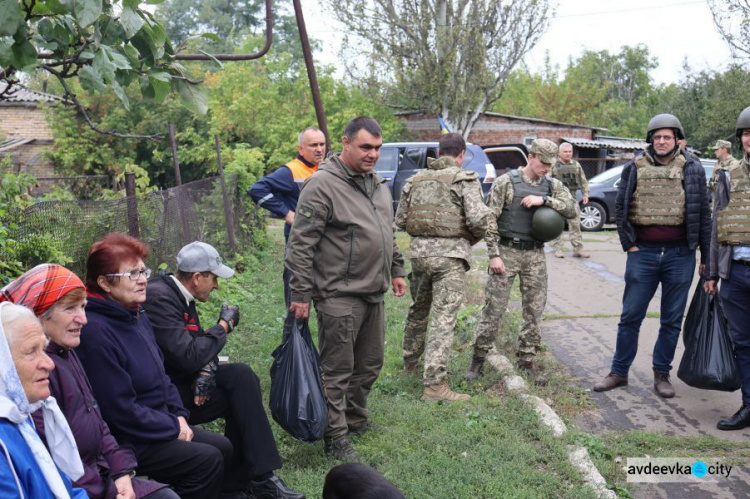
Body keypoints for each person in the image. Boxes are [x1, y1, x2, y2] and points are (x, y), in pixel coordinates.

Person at [286, 116, 407, 461]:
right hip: (339, 294)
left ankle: (355, 419)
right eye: (366, 147)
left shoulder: (378, 185)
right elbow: (301, 244)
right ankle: (335, 436)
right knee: (337, 371)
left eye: (378, 148)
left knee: (369, 364)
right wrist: (300, 294)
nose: (373, 154)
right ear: (346, 143)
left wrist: (397, 268)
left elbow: (387, 232)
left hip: (373, 291)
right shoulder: (323, 185)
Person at [0, 264, 177, 499]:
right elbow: (56, 464)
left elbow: (98, 421)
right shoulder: (33, 380)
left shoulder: (68, 353)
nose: (83, 319)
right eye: (70, 308)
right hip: (90, 484)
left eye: (83, 307)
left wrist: (121, 471)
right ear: (40, 315)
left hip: (100, 474)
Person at [143, 241, 303, 498]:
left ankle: (254, 479)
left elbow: (194, 346)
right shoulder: (159, 298)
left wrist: (207, 368)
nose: (216, 285)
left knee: (241, 377)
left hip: (181, 385)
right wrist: (222, 327)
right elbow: (187, 355)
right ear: (197, 277)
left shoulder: (178, 295)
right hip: (166, 400)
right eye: (214, 278)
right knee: (238, 386)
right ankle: (250, 481)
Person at [76, 233, 230, 499]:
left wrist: (178, 415)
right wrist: (172, 426)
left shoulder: (136, 314)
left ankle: (241, 488)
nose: (143, 280)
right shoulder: (97, 332)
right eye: (132, 275)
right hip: (131, 439)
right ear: (104, 283)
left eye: (142, 271)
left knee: (223, 446)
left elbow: (162, 376)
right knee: (206, 459)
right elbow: (119, 411)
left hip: (159, 422)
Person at [593, 113, 711, 398]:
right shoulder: (634, 166)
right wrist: (628, 243)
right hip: (643, 253)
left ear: (676, 139)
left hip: (680, 255)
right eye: (657, 137)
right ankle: (619, 372)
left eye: (667, 137)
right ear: (651, 139)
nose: (661, 141)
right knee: (631, 316)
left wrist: (706, 256)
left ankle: (662, 374)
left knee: (671, 319)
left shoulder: (693, 168)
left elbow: (703, 214)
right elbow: (621, 207)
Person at [464, 139, 575, 385]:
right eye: (543, 162)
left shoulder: (552, 185)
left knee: (534, 311)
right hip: (507, 250)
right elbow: (489, 220)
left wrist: (544, 201)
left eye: (550, 163)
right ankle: (478, 359)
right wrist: (493, 254)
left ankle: (526, 361)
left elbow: (571, 208)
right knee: (494, 308)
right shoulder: (506, 183)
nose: (547, 167)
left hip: (534, 254)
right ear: (531, 156)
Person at [395, 133, 496, 401]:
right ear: (461, 154)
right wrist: (468, 237)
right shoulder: (464, 179)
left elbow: (402, 220)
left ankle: (410, 364)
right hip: (450, 259)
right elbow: (477, 220)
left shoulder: (414, 181)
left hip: (419, 256)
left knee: (418, 311)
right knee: (443, 318)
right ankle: (434, 386)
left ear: (439, 152)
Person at [0, 301, 87, 498]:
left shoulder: (19, 416)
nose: (49, 364)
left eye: (44, 349)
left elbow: (64, 490)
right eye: (31, 351)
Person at [705, 106, 750, 430]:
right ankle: (749, 406)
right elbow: (717, 226)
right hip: (734, 271)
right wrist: (710, 271)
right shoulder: (728, 176)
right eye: (747, 133)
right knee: (743, 343)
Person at [249, 127, 327, 304]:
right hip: (298, 243)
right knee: (296, 300)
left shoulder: (325, 168)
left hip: (323, 244)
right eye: (313, 145)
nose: (319, 149)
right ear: (301, 149)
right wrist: (286, 213)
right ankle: (294, 332)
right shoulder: (290, 171)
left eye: (322, 144)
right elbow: (257, 190)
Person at [550, 142, 590, 258]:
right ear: (559, 153)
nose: (568, 154)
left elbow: (583, 180)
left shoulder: (576, 165)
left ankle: (578, 249)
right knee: (557, 224)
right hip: (557, 198)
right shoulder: (553, 165)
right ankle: (558, 249)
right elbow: (546, 180)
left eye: (570, 152)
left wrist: (585, 194)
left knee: (575, 224)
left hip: (572, 198)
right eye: (565, 152)